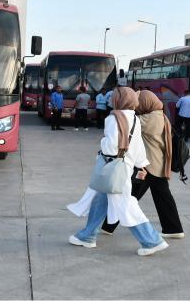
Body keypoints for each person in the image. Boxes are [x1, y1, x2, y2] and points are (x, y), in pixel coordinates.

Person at [67, 87, 169, 256]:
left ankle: (152, 241)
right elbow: (137, 146)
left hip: (112, 167)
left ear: (117, 100)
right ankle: (87, 236)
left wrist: (102, 144)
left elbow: (110, 145)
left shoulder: (113, 118)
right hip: (125, 166)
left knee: (126, 205)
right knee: (101, 200)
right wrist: (141, 164)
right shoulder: (135, 118)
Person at [101, 90, 184, 238]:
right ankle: (173, 229)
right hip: (157, 164)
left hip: (149, 167)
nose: (137, 105)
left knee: (128, 197)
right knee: (162, 199)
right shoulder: (159, 115)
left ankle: (108, 226)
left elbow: (128, 122)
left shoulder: (151, 118)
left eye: (140, 101)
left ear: (147, 102)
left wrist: (120, 109)